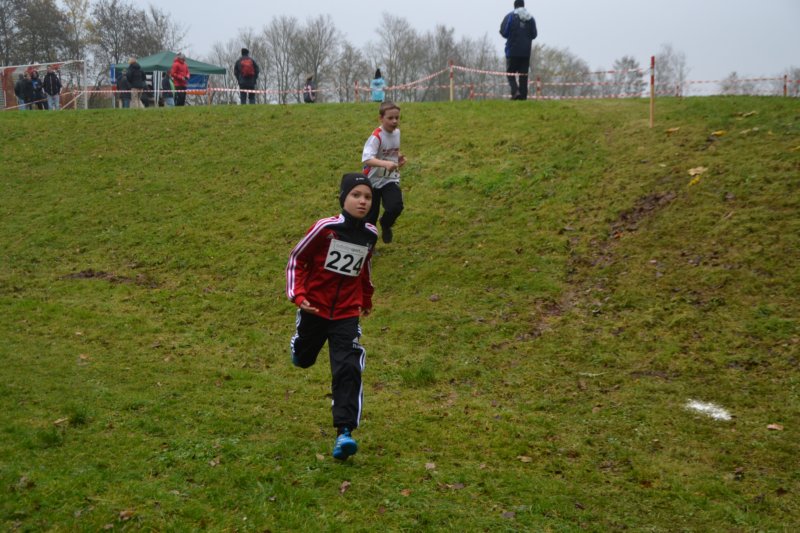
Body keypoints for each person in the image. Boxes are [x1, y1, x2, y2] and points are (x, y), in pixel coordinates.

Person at [286, 173, 378, 461]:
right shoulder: (325, 228)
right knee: (305, 358)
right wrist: (298, 295)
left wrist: (366, 297)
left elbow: (363, 268)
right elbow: (297, 259)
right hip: (315, 307)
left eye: (368, 197)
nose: (362, 202)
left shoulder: (370, 234)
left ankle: (344, 432)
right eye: (356, 195)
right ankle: (299, 348)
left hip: (347, 312)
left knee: (348, 367)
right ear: (343, 198)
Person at [361, 101, 406, 244]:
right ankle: (369, 246)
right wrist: (385, 164)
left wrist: (398, 158)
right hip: (372, 181)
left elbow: (390, 151)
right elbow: (367, 158)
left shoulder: (397, 133)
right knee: (370, 217)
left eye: (397, 118)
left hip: (389, 179)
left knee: (396, 206)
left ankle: (386, 224)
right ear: (381, 118)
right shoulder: (376, 136)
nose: (394, 121)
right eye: (390, 118)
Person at [499, 0, 538, 100]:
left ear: (514, 6)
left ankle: (515, 92)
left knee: (510, 73)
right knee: (523, 75)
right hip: (526, 52)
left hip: (512, 51)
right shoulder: (531, 18)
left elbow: (504, 32)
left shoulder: (510, 16)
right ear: (523, 6)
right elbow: (534, 34)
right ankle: (523, 98)